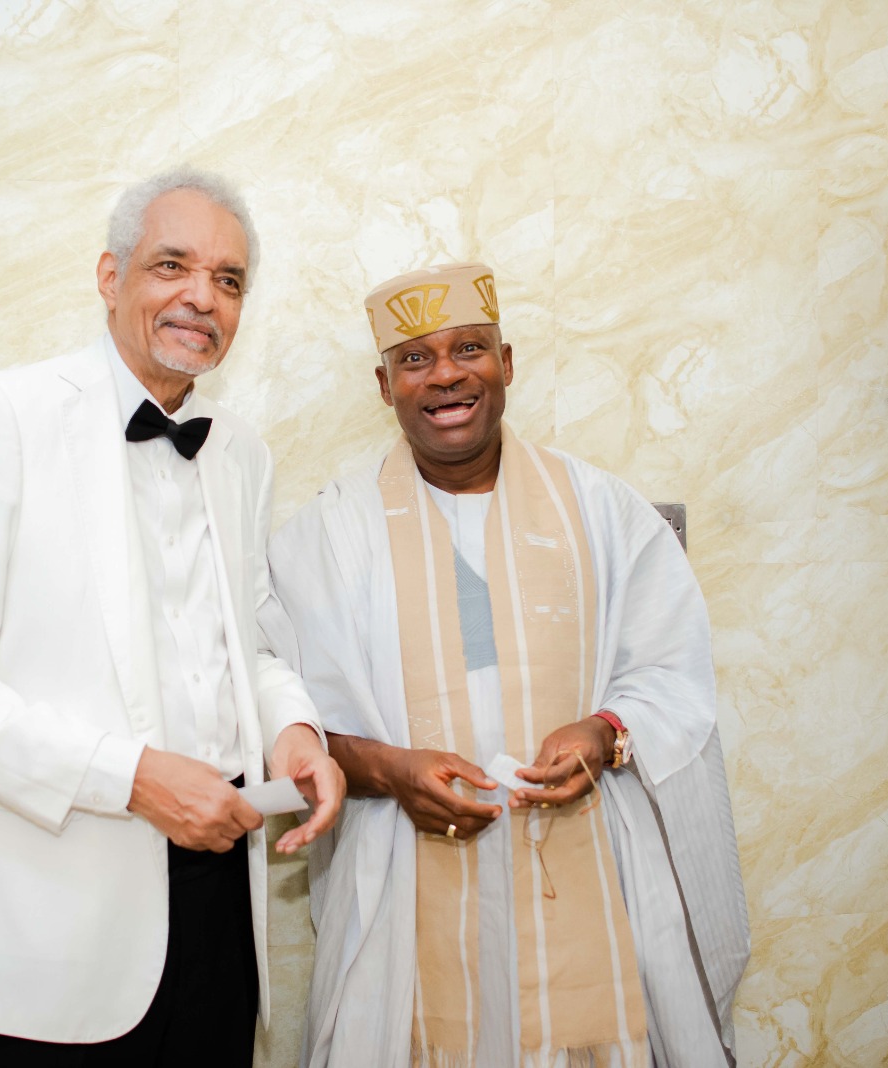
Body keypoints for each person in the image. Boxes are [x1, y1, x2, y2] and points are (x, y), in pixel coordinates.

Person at [0, 167, 344, 1067]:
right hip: (45, 934)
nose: (201, 297)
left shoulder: (242, 452)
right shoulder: (7, 415)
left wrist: (294, 731)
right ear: (109, 276)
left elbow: (248, 640)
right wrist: (131, 778)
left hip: (220, 909)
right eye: (172, 265)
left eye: (229, 279)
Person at [266, 263, 749, 1067]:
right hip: (403, 890)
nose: (445, 374)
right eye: (414, 358)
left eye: (469, 349)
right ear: (384, 386)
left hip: (593, 875)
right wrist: (388, 770)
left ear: (507, 363)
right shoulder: (328, 537)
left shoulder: (602, 510)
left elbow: (672, 671)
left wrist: (605, 732)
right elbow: (286, 719)